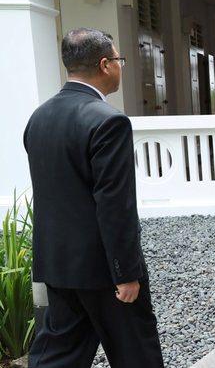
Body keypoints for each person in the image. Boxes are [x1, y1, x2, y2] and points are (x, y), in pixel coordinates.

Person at [24, 28, 164, 368]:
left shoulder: (39, 117)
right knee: (136, 354)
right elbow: (115, 205)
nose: (120, 66)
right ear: (105, 64)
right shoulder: (109, 121)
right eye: (119, 60)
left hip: (58, 263)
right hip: (102, 269)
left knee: (59, 354)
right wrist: (125, 272)